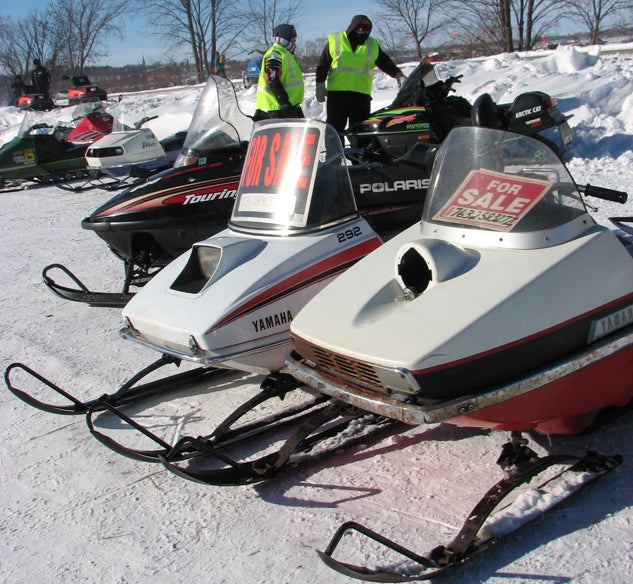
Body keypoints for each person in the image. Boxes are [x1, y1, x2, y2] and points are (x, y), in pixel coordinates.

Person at [315, 15, 405, 137]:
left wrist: (398, 74)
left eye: (366, 29)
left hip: (361, 97)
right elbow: (323, 63)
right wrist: (320, 83)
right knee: (334, 132)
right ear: (352, 27)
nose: (362, 31)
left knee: (360, 134)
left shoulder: (372, 45)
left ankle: (359, 156)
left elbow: (385, 62)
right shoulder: (336, 40)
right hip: (337, 96)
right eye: (359, 28)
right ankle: (334, 156)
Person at [253, 24, 304, 121]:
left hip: (289, 108)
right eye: (293, 37)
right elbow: (273, 79)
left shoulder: (286, 53)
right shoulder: (275, 53)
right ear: (285, 37)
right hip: (278, 110)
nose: (295, 40)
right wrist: (284, 103)